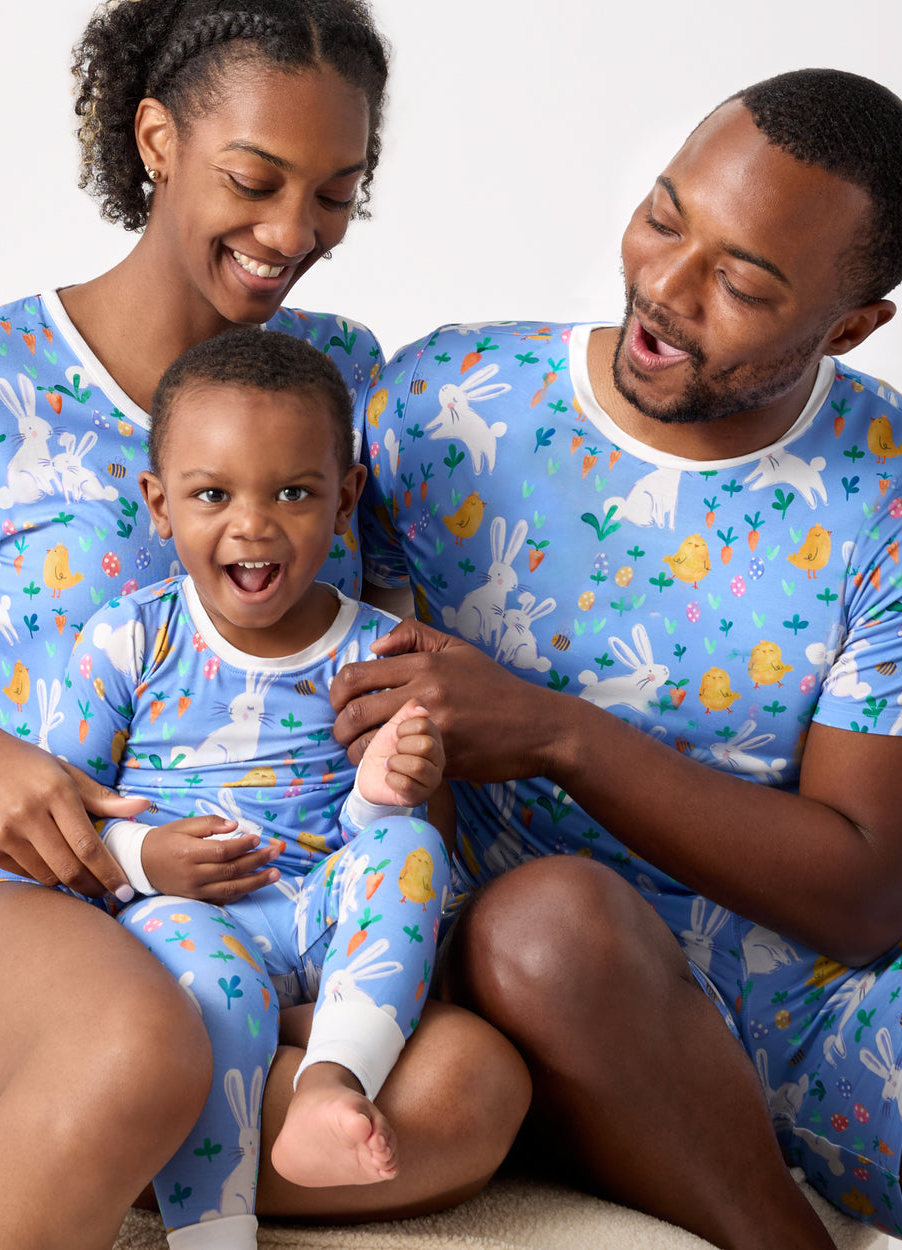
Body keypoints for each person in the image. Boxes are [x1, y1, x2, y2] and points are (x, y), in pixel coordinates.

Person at [0, 4, 530, 1248]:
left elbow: (391, 670)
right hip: (19, 893)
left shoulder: (340, 371)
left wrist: (401, 880)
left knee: (466, 1090)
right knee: (143, 1045)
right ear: (156, 138)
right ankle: (77, 1087)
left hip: (280, 900)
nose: (294, 234)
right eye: (256, 179)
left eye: (337, 195)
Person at [331, 68, 902, 1250]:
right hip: (557, 983)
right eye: (661, 214)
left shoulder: (884, 486)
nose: (666, 288)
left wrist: (556, 733)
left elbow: (861, 899)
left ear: (847, 328)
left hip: (825, 1011)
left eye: (741, 282)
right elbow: (360, 741)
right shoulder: (443, 410)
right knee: (541, 922)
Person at [47, 325, 450, 1248]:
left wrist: (385, 793)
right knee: (215, 998)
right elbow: (56, 811)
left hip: (321, 912)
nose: (253, 524)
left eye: (295, 492)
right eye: (212, 494)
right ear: (159, 504)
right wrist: (145, 858)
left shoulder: (374, 650)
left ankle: (330, 1085)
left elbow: (373, 842)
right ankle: (213, 1234)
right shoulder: (130, 640)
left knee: (411, 847)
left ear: (346, 500)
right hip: (185, 918)